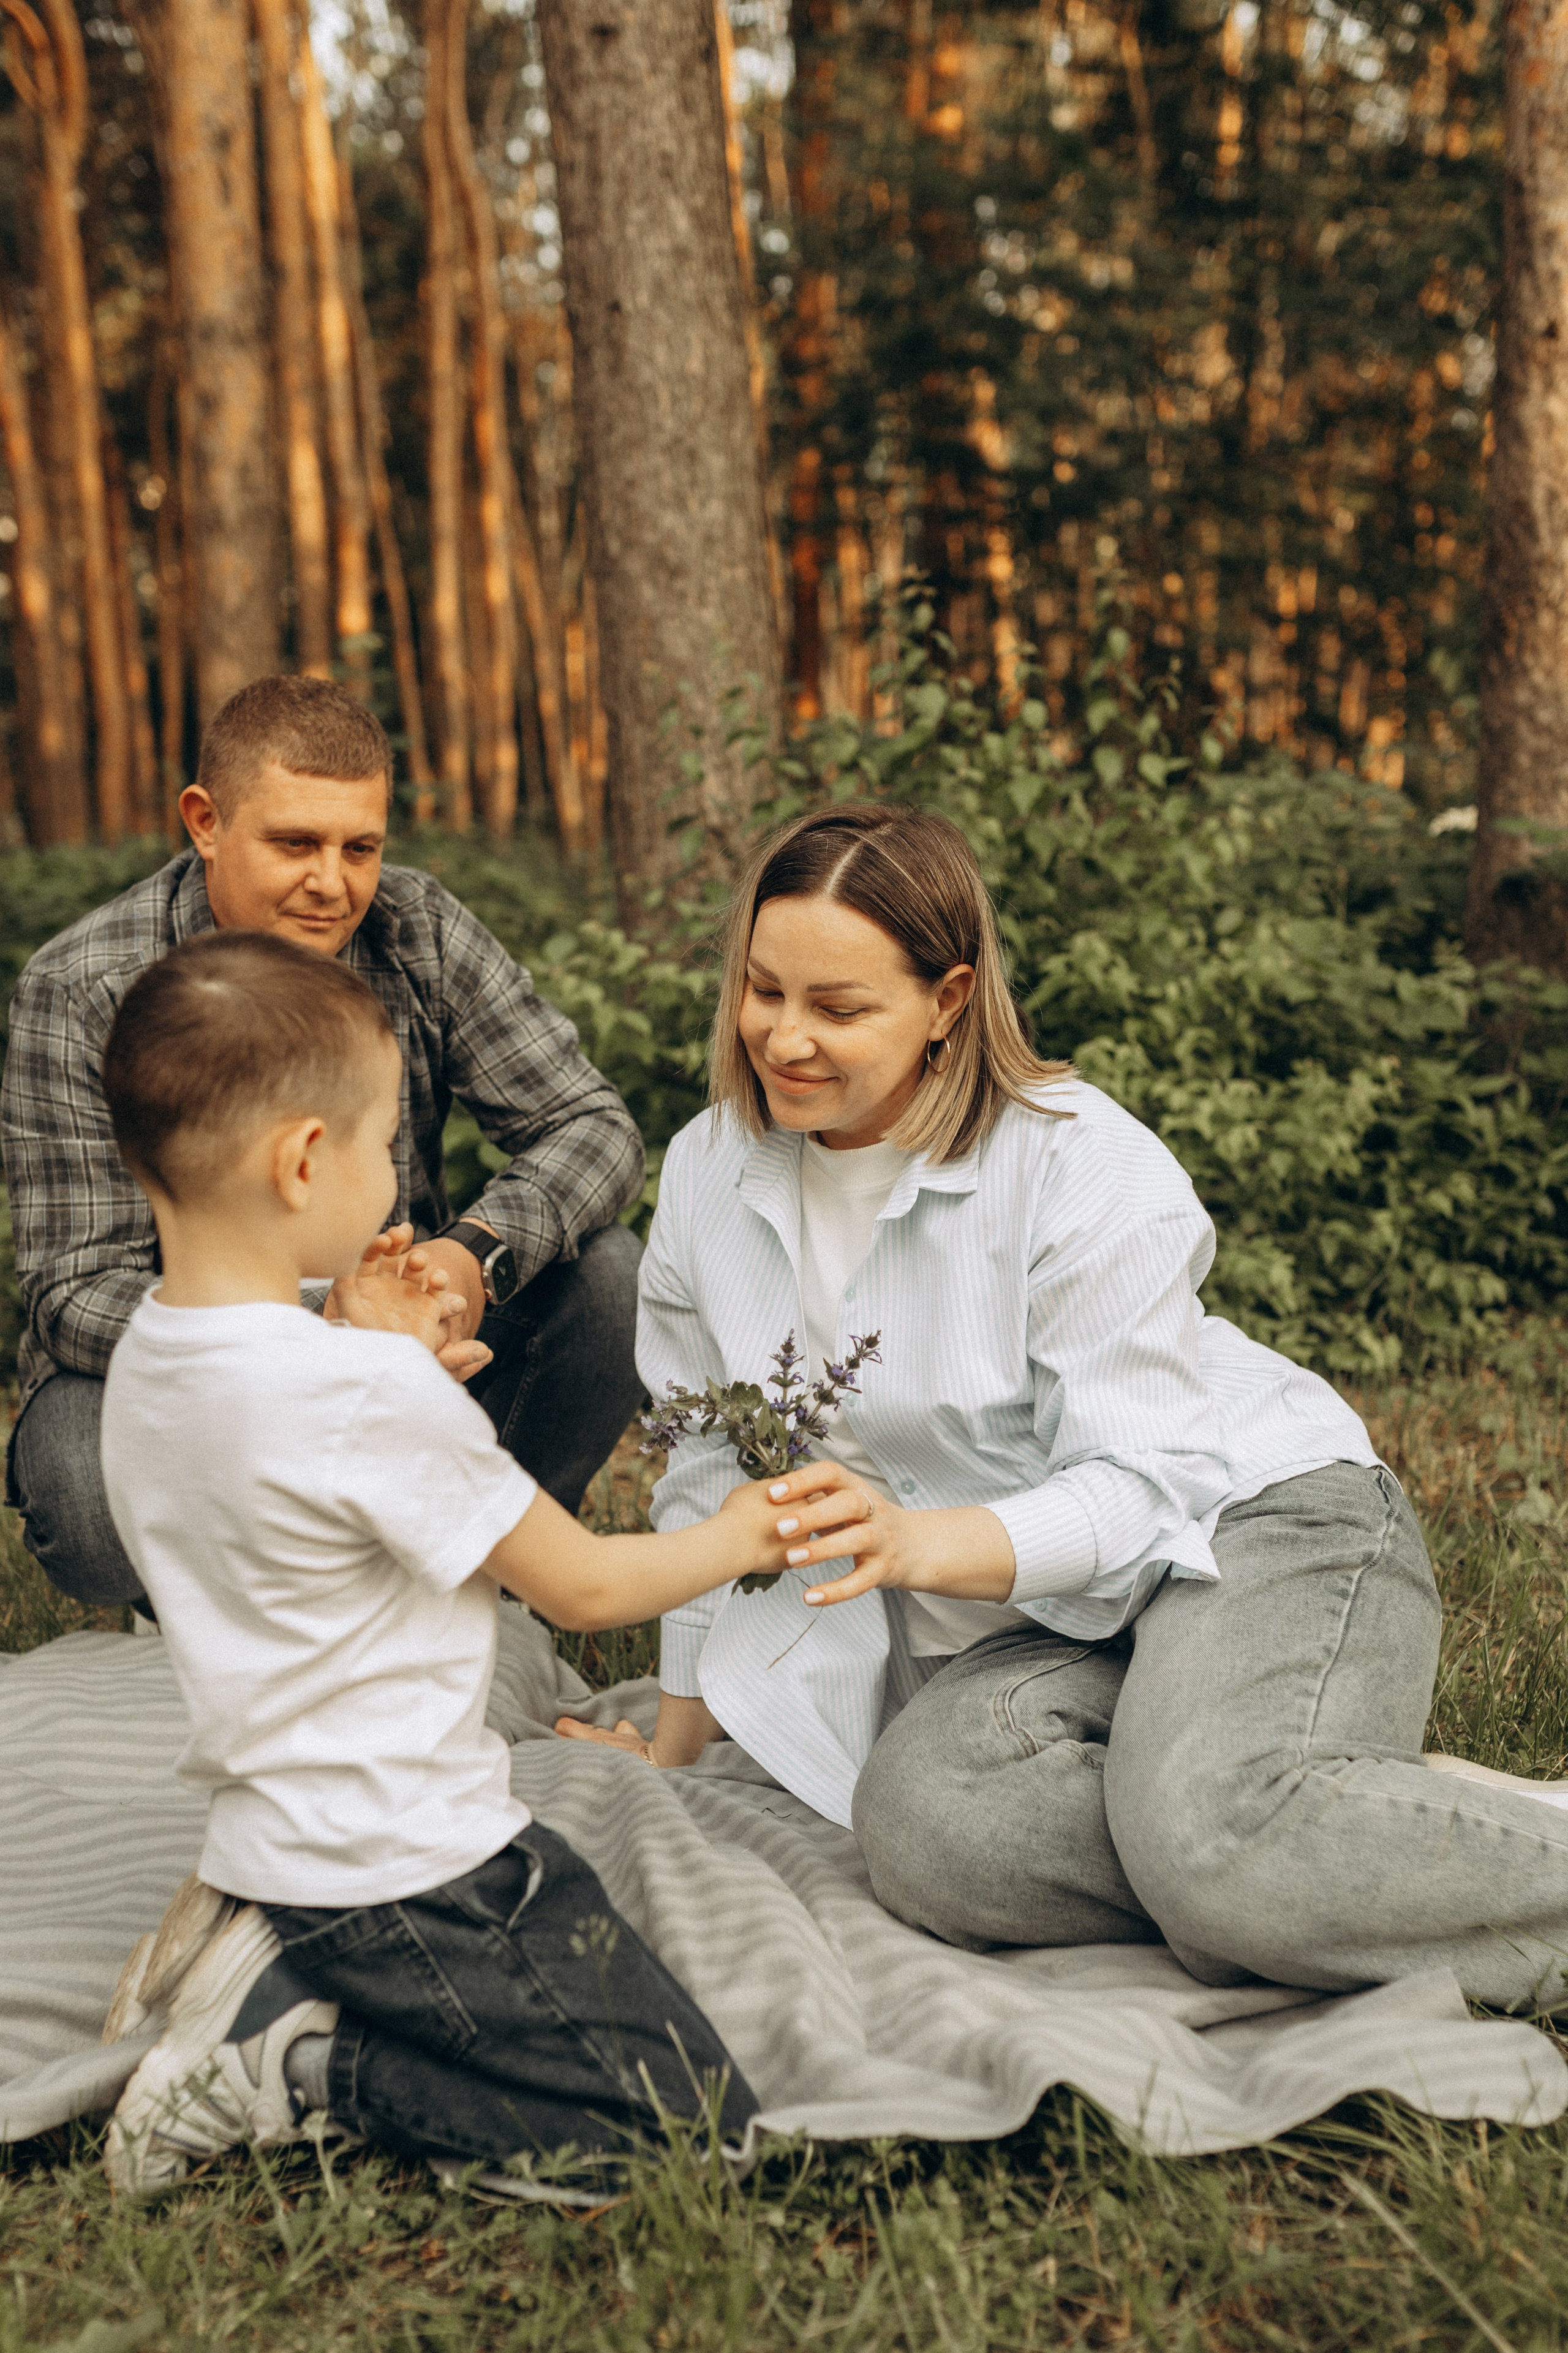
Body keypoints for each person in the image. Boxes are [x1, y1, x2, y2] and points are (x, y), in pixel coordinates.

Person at [562, 802, 1568, 2014]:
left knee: (1209, 1847)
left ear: (947, 1000)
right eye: (762, 989)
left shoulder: (1077, 1162)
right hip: (1045, 1622)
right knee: (926, 1829)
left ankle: (1251, 1821)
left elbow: (1144, 1490)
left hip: (1248, 1519)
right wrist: (676, 1742)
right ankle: (1305, 1810)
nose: (784, 1037)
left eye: (838, 1007)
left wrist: (914, 1542)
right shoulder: (708, 1172)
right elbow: (708, 1472)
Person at [96, 929, 848, 2194]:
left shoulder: (155, 1354)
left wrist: (383, 1361)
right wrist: (746, 1531)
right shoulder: (362, 1397)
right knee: (690, 2134)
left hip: (282, 1837)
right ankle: (288, 2063)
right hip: (411, 1869)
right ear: (302, 1162)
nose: (398, 1178)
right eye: (384, 1141)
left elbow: (303, 1483)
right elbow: (585, 1587)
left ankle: (271, 1958)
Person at [2, 676, 646, 1620]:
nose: (333, 883)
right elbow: (74, 1290)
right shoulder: (83, 987)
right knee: (74, 1474)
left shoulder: (419, 929)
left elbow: (593, 1126)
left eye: (361, 847)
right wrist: (323, 1329)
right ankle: (225, 1617)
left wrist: (468, 1259)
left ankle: (496, 1582)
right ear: (205, 821)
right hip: (197, 1365)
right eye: (295, 843)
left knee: (611, 1278)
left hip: (415, 1331)